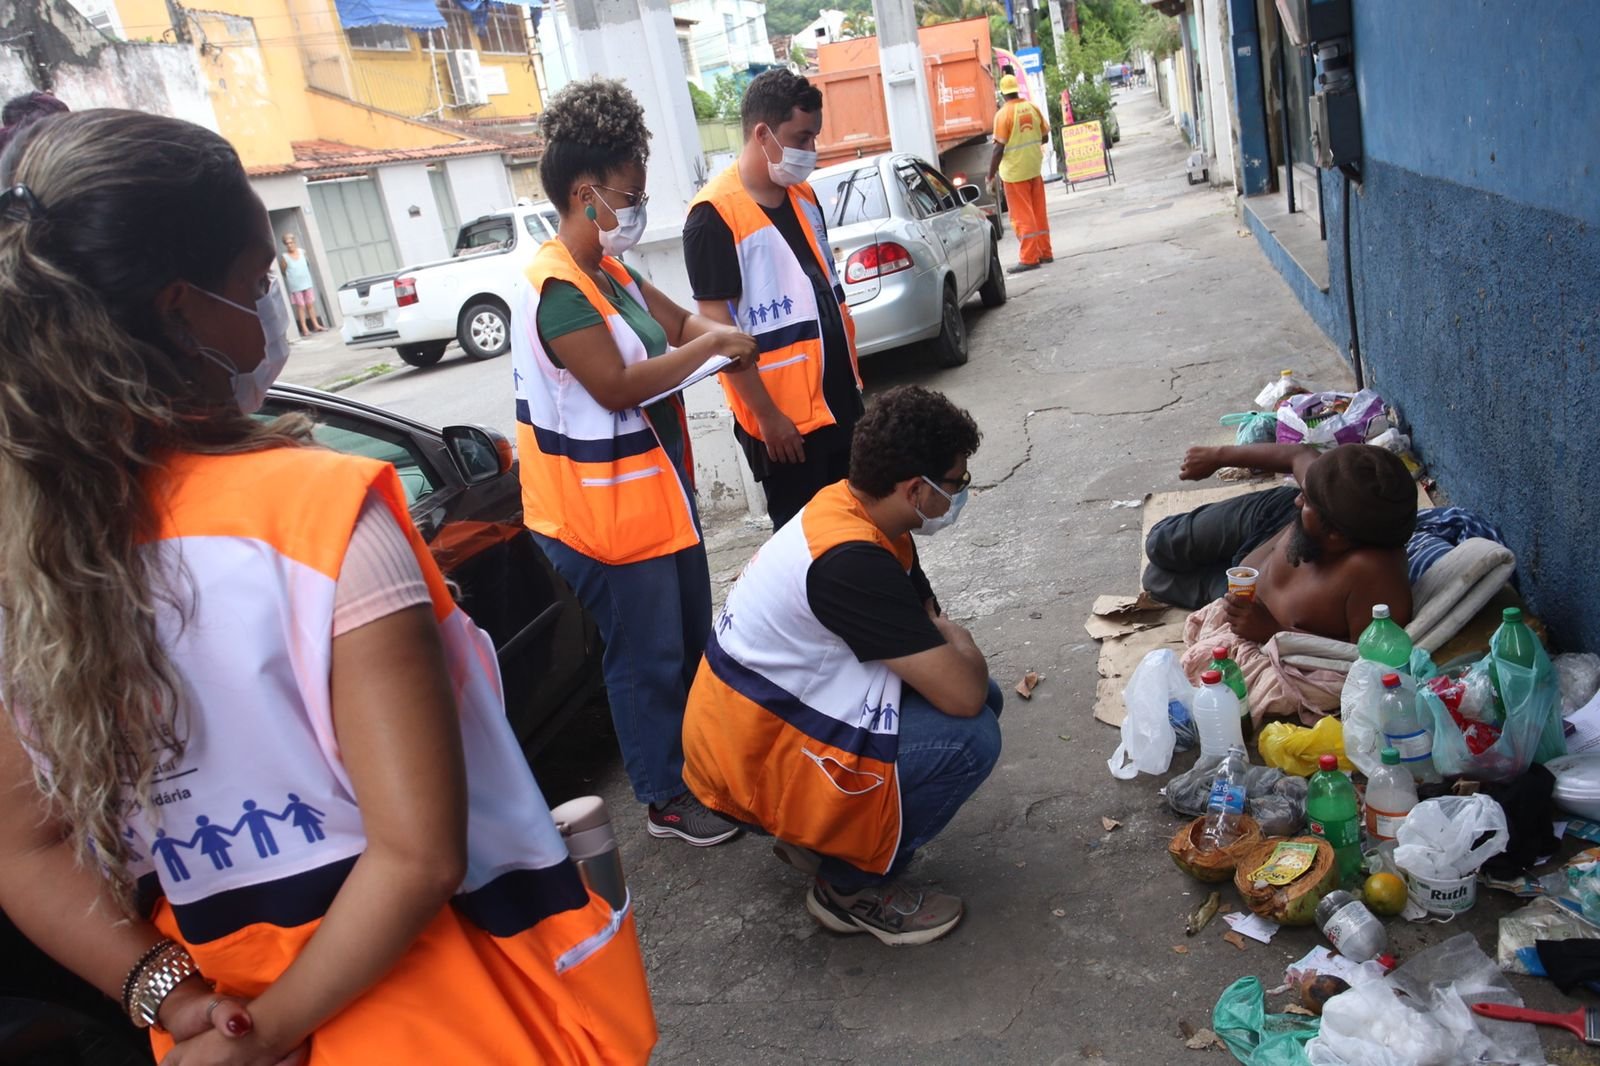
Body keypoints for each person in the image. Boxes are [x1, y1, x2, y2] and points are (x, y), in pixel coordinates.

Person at [0, 109, 655, 1065]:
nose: (268, 315)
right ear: (183, 310)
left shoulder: (27, 558)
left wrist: (179, 1004)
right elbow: (418, 854)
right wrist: (262, 1036)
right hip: (438, 1023)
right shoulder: (321, 511)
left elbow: (26, 847)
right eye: (256, 284)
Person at [513, 78, 760, 847]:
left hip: (655, 502)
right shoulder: (558, 290)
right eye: (631, 194)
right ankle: (663, 796)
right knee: (643, 658)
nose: (637, 207)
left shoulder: (610, 272)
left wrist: (711, 331)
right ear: (587, 195)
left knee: (685, 644)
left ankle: (697, 770)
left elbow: (676, 320)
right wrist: (709, 347)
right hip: (601, 520)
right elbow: (615, 386)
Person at [682, 385, 1003, 946]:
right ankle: (848, 888)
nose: (960, 495)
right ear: (914, 488)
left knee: (977, 696)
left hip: (758, 728)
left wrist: (950, 645)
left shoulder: (859, 511)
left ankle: (817, 836)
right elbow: (961, 690)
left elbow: (930, 626)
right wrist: (963, 639)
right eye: (956, 484)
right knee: (971, 734)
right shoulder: (850, 559)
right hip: (751, 760)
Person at [682, 68, 864, 532]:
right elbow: (718, 333)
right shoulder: (712, 217)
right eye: (800, 138)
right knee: (807, 551)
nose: (810, 152)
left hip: (839, 405)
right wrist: (766, 417)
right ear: (762, 134)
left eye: (814, 139)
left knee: (863, 530)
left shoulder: (802, 195)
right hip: (785, 429)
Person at [1145, 442, 1418, 722]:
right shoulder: (1332, 490)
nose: (1298, 501)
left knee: (1155, 579)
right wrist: (1217, 456)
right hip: (1269, 522)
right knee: (1159, 543)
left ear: (1337, 535)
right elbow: (1298, 454)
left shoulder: (1373, 576)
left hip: (1249, 599)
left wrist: (1274, 631)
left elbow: (1359, 660)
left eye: (1307, 500)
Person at [986, 74, 1053, 274]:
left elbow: (998, 149)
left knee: (1022, 216)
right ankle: (1045, 252)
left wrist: (990, 175)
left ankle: (1029, 258)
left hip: (1015, 173)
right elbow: (1045, 136)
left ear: (1002, 93)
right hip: (1034, 168)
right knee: (1038, 212)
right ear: (1016, 89)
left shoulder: (1003, 114)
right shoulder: (1032, 108)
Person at [278, 233, 327, 335]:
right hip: (295, 286)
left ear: (294, 242)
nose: (290, 245)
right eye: (287, 244)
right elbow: (283, 271)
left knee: (310, 304)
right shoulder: (284, 257)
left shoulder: (302, 252)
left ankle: (316, 325)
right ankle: (305, 329)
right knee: (301, 306)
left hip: (307, 283)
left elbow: (307, 264)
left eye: (291, 242)